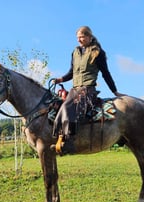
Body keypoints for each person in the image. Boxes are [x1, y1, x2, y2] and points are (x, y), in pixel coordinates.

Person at [51, 26, 125, 155]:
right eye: (78, 37)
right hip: (75, 89)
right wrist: (60, 79)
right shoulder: (75, 52)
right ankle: (59, 138)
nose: (79, 40)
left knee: (68, 109)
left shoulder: (97, 53)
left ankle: (70, 142)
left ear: (89, 37)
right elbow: (71, 72)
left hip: (88, 89)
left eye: (82, 37)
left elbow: (105, 73)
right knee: (58, 107)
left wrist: (115, 91)